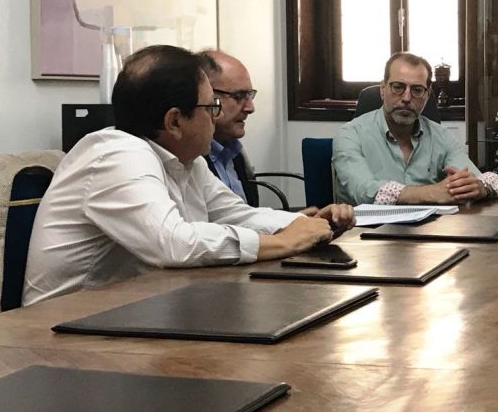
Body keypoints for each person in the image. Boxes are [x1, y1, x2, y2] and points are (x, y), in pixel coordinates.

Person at [24, 45, 354, 306]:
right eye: (211, 107)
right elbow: (175, 244)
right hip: (62, 334)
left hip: (133, 313)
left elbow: (238, 216)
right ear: (174, 121)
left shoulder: (187, 159)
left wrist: (303, 226)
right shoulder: (117, 155)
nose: (215, 118)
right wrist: (284, 240)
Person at [333, 52, 498, 205]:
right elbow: (364, 191)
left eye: (417, 90)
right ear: (382, 89)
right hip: (364, 239)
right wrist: (432, 193)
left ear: (427, 96)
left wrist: (481, 188)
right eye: (398, 87)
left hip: (428, 237)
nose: (406, 97)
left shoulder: (441, 136)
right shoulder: (350, 134)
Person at [199, 50, 258, 204]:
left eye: (249, 96)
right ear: (205, 94)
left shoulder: (234, 151)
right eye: (238, 96)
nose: (250, 108)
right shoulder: (188, 156)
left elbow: (244, 219)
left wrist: (296, 220)